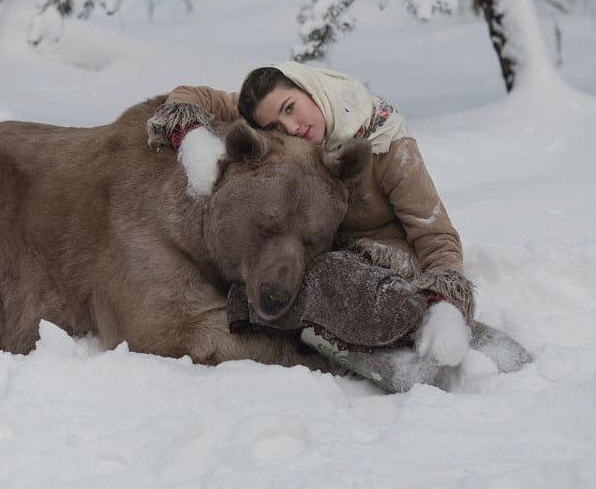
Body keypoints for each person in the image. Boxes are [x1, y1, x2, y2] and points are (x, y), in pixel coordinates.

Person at [146, 61, 476, 367]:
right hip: (312, 253)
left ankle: (403, 327)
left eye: (291, 108)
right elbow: (190, 97)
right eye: (274, 126)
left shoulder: (388, 145)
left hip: (382, 260)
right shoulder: (274, 109)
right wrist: (193, 143)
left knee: (326, 276)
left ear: (308, 89)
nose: (291, 127)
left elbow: (435, 233)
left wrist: (446, 307)